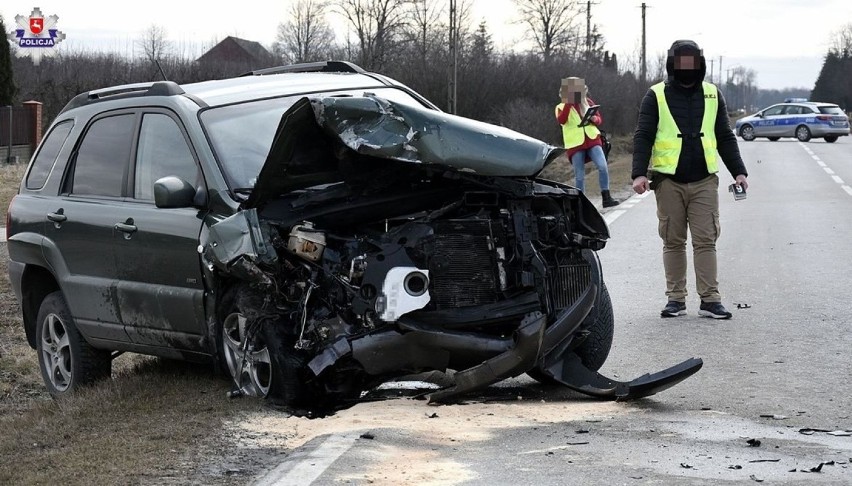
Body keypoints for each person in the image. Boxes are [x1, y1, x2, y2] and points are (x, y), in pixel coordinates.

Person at [631, 39, 748, 320]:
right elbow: (643, 135)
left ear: (700, 63)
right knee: (673, 241)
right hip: (668, 180)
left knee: (706, 240)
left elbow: (725, 135)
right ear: (672, 63)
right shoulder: (655, 95)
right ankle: (676, 299)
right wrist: (638, 173)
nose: (686, 66)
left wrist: (739, 171)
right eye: (681, 60)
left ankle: (710, 299)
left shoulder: (712, 94)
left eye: (691, 60)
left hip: (704, 180)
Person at [555, 77, 620, 208]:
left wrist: (594, 119)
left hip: (592, 138)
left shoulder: (588, 102)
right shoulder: (561, 107)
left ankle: (606, 197)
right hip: (575, 143)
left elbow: (599, 119)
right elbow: (562, 120)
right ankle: (581, 204)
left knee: (603, 166)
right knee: (579, 175)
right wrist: (569, 101)